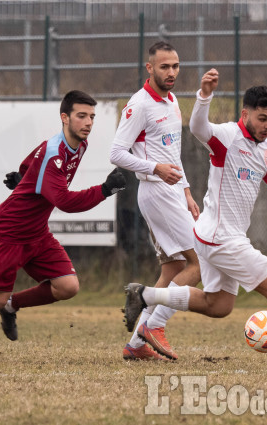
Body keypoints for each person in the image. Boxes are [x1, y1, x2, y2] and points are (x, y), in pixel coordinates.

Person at [124, 69, 267, 371]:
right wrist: (204, 96)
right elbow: (197, 127)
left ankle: (145, 295)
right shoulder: (227, 137)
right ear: (245, 114)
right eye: (262, 119)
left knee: (218, 306)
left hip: (215, 237)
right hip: (221, 238)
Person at [0, 90, 126, 363]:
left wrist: (23, 176)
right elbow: (64, 202)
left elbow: (32, 159)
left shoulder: (77, 146)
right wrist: (105, 190)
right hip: (11, 232)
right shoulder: (55, 153)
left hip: (37, 232)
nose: (88, 123)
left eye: (92, 117)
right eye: (81, 116)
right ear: (65, 117)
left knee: (68, 286)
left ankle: (13, 305)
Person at [110, 41, 201, 361]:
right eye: (165, 67)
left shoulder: (173, 99)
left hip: (174, 191)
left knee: (175, 266)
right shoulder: (139, 105)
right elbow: (116, 153)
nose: (172, 72)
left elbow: (172, 153)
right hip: (157, 192)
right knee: (200, 260)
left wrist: (187, 191)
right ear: (150, 68)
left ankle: (135, 346)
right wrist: (155, 169)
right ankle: (155, 325)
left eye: (176, 66)